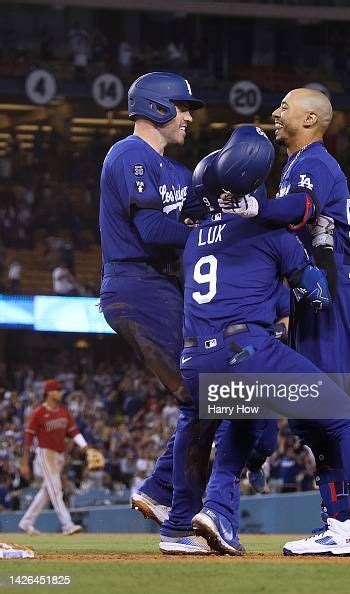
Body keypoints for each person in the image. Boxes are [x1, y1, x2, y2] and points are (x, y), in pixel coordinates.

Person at [217, 89, 350, 557]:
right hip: (317, 295)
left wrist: (256, 209)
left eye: (285, 106)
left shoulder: (314, 161)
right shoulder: (296, 165)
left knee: (333, 415)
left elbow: (303, 209)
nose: (275, 112)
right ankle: (340, 524)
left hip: (331, 293)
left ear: (311, 118)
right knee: (313, 419)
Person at [160, 147, 333, 555]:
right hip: (244, 348)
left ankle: (191, 519)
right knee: (339, 412)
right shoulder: (268, 231)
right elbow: (319, 295)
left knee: (231, 420)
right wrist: (320, 251)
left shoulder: (194, 238)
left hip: (193, 357)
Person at [99, 71, 204, 525]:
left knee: (208, 395)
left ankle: (163, 491)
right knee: (210, 392)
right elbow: (153, 229)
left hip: (159, 287)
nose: (188, 117)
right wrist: (209, 236)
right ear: (158, 107)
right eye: (182, 107)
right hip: (137, 284)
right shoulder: (128, 154)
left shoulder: (179, 171)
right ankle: (174, 503)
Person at [19, 380, 88, 535]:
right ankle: (67, 525)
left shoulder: (64, 411)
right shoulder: (38, 413)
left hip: (60, 455)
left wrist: (84, 445)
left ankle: (26, 522)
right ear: (49, 392)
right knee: (56, 490)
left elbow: (74, 431)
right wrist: (24, 463)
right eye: (57, 390)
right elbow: (28, 440)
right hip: (45, 454)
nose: (60, 393)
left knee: (47, 491)